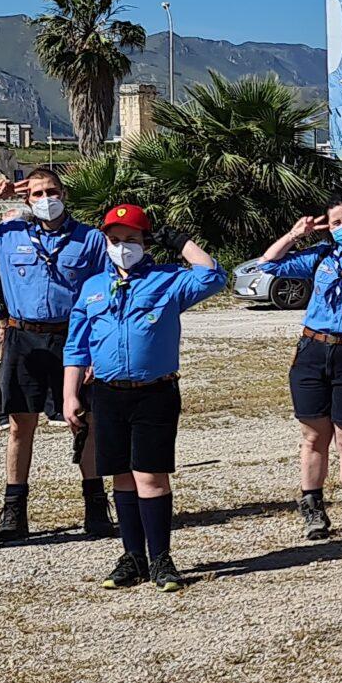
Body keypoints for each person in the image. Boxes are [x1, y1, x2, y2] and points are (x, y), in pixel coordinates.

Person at [0, 165, 113, 545]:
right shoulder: (7, 235)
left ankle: (96, 506)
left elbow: (106, 293)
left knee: (86, 421)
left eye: (51, 191)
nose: (45, 200)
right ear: (26, 199)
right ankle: (14, 510)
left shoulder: (91, 240)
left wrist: (96, 354)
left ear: (64, 194)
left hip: (73, 338)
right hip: (22, 338)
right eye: (36, 194)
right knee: (21, 425)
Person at [61, 205, 224, 593]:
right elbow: (76, 347)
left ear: (146, 242)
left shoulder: (167, 280)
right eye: (115, 241)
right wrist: (70, 394)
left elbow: (213, 276)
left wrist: (181, 242)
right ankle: (132, 556)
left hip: (154, 392)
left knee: (150, 476)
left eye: (131, 240)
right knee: (121, 476)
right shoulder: (93, 287)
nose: (122, 247)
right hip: (108, 393)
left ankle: (160, 557)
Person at [250, 192, 342, 543]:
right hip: (313, 353)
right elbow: (268, 265)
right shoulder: (319, 258)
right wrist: (294, 235)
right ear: (328, 229)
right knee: (314, 436)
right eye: (336, 223)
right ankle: (313, 510)